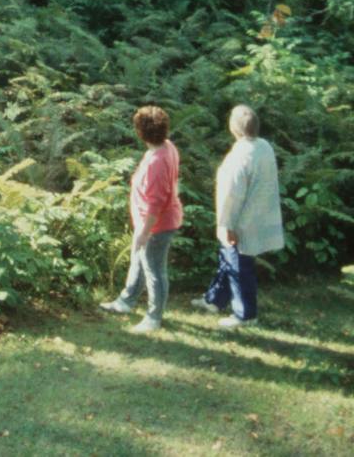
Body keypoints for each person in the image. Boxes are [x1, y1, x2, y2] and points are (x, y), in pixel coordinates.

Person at [190, 104, 284, 329]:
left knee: (238, 264)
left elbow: (231, 196)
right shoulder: (264, 147)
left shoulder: (238, 157)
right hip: (261, 214)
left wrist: (227, 224)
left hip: (241, 220)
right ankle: (215, 300)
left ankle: (246, 314)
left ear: (234, 129)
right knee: (228, 257)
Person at [100, 105, 184, 333]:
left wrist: (145, 232)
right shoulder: (165, 147)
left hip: (157, 225)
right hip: (150, 222)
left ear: (141, 132)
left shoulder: (158, 160)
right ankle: (126, 301)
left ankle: (154, 317)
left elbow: (156, 203)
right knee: (139, 260)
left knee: (154, 270)